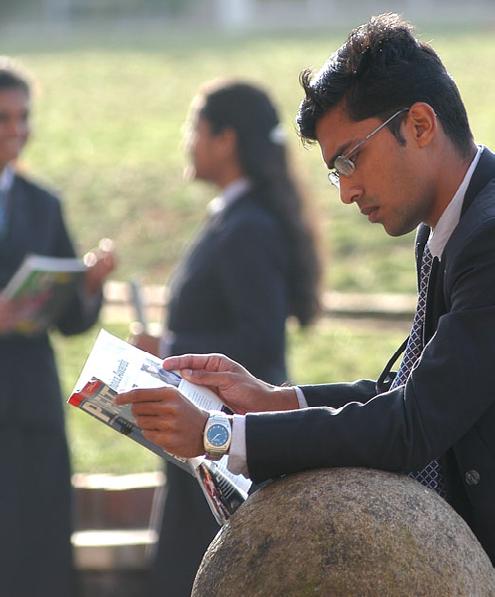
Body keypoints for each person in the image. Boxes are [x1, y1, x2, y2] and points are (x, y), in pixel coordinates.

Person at [118, 12, 495, 567]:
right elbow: (405, 392)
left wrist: (221, 435)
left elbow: (412, 424)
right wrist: (275, 401)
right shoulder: (445, 231)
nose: (347, 191)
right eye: (334, 171)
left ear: (419, 125)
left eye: (351, 158)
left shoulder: (486, 238)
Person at [130, 80, 321, 597]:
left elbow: (258, 341)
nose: (187, 141)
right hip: (205, 446)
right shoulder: (236, 217)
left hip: (222, 452)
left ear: (225, 139)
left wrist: (166, 347)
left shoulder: (247, 228)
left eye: (196, 127)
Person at [0, 58, 116, 596]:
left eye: (24, 117)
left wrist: (88, 285)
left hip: (29, 403)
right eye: (4, 117)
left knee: (38, 542)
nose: (17, 131)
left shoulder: (43, 204)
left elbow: (70, 322)